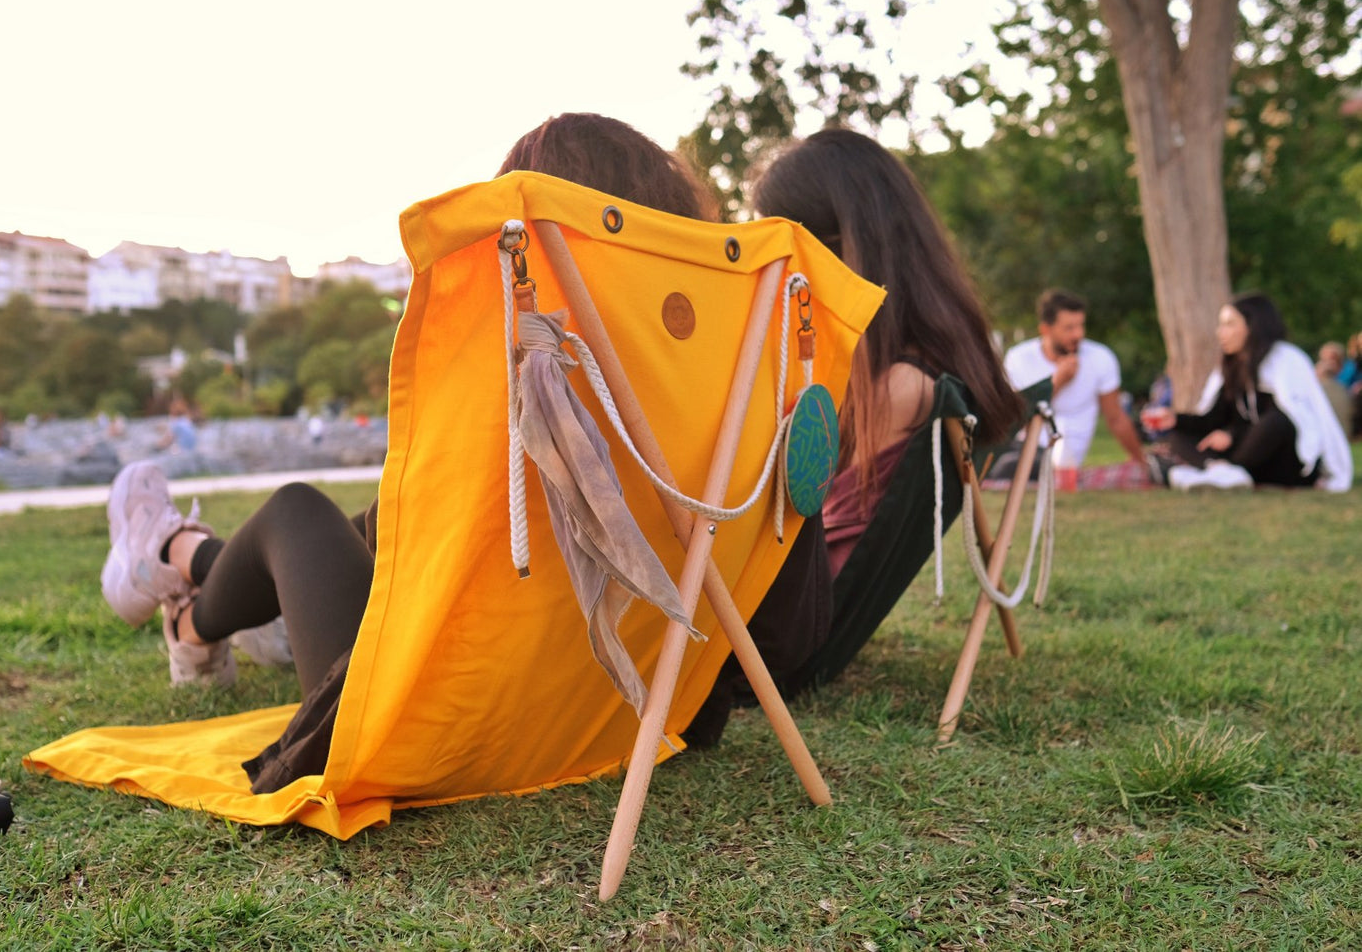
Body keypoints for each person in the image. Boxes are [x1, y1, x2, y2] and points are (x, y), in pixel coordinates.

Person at [99, 112, 724, 790]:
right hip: (620, 714)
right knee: (377, 521)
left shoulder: (524, 360)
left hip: (428, 736)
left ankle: (183, 591)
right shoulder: (712, 384)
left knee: (299, 513)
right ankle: (193, 570)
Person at [682, 128, 1024, 743]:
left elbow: (807, 540)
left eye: (781, 241)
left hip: (778, 644)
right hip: (793, 624)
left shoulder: (897, 386)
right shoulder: (915, 367)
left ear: (837, 248)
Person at [1147, 293, 1352, 492]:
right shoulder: (1231, 367)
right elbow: (1213, 419)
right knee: (1178, 435)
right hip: (1243, 458)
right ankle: (1221, 471)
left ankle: (1222, 472)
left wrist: (1232, 436)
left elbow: (1289, 421)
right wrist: (1176, 419)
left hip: (1284, 463)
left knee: (1275, 421)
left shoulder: (1286, 360)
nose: (1220, 332)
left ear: (1253, 326)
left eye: (1229, 324)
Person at [1000, 289, 1148, 483]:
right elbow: (1015, 419)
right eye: (1069, 328)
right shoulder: (1019, 358)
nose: (1078, 334)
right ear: (1046, 329)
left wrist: (1142, 463)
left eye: (1080, 326)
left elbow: (1116, 418)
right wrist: (1056, 383)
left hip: (1061, 457)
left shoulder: (1100, 358)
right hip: (1025, 446)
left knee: (1010, 467)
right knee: (1005, 462)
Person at [1316, 341, 1354, 432]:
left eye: (1334, 358)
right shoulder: (1318, 372)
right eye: (1327, 358)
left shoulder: (1350, 369)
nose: (1330, 362)